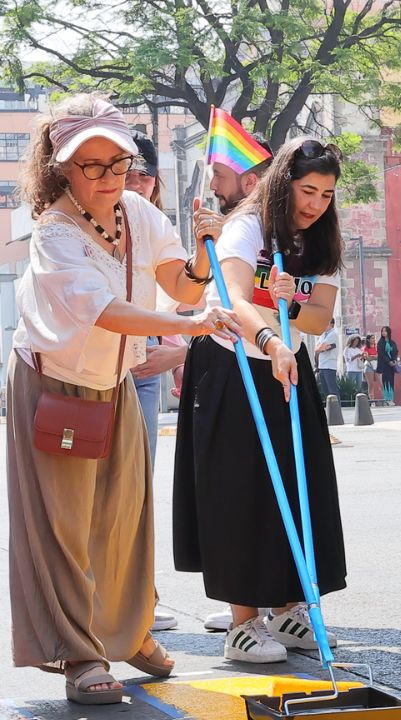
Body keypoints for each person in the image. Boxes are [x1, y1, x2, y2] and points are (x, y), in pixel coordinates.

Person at [7, 93, 239, 705]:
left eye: (119, 163)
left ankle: (129, 631)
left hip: (117, 384)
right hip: (55, 385)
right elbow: (105, 312)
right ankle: (80, 652)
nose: (110, 178)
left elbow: (176, 282)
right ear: (60, 167)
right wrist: (191, 324)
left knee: (126, 517)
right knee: (66, 528)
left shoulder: (136, 210)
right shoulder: (53, 234)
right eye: (92, 166)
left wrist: (199, 257)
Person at [173, 137, 349, 662]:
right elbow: (233, 299)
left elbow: (318, 317)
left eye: (326, 193)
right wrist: (272, 336)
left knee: (299, 483)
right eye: (307, 189)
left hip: (285, 367)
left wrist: (285, 309)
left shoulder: (320, 241)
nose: (316, 203)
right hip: (232, 365)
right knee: (238, 490)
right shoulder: (248, 227)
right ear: (283, 184)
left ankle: (291, 608)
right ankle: (242, 622)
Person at [196, 132, 275, 634]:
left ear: (248, 179)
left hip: (271, 358)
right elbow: (199, 284)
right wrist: (210, 242)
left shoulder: (263, 228)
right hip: (223, 355)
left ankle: (278, 602)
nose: (213, 188)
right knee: (231, 487)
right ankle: (242, 609)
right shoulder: (227, 228)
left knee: (274, 486)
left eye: (219, 178)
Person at [123, 130, 189, 633]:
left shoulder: (159, 226)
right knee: (103, 492)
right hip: (99, 373)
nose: (135, 182)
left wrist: (178, 352)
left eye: (144, 174)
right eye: (126, 172)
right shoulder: (77, 222)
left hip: (146, 378)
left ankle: (140, 598)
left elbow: (182, 300)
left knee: (139, 492)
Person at [315, 318, 340, 398]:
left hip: (329, 365)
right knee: (325, 390)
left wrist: (321, 348)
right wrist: (321, 348)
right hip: (322, 365)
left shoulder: (333, 334)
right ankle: (329, 407)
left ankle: (336, 408)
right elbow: (316, 348)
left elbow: (321, 347)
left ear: (332, 324)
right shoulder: (323, 335)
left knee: (332, 389)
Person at [377, 325, 399, 404]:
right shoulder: (380, 343)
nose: (383, 333)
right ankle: (386, 399)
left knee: (391, 381)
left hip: (392, 366)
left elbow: (396, 352)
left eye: (385, 331)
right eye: (382, 331)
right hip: (384, 365)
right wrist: (388, 361)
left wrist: (394, 361)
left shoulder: (392, 342)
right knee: (385, 381)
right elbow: (382, 354)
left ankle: (391, 399)